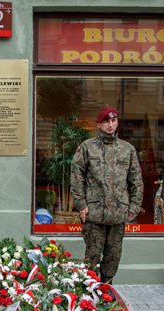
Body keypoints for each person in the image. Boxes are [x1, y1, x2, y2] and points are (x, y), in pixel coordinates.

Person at [70, 107, 143, 284]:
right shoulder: (87, 147)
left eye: (113, 121)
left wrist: (134, 206)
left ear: (117, 123)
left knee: (113, 256)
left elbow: (136, 179)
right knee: (92, 257)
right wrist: (81, 204)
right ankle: (89, 294)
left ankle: (107, 292)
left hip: (118, 213)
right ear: (98, 124)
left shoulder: (128, 149)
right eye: (106, 122)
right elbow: (76, 175)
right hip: (94, 213)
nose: (110, 125)